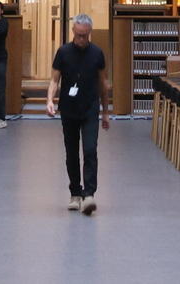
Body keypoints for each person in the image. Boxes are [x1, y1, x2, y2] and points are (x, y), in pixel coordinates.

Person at [48, 12, 109, 213]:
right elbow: (55, 80)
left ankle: (89, 194)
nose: (82, 39)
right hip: (68, 109)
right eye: (79, 35)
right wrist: (49, 100)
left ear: (90, 33)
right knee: (72, 153)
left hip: (90, 109)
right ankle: (75, 193)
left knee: (90, 150)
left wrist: (106, 113)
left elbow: (103, 84)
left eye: (85, 35)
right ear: (73, 31)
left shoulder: (97, 53)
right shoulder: (63, 52)